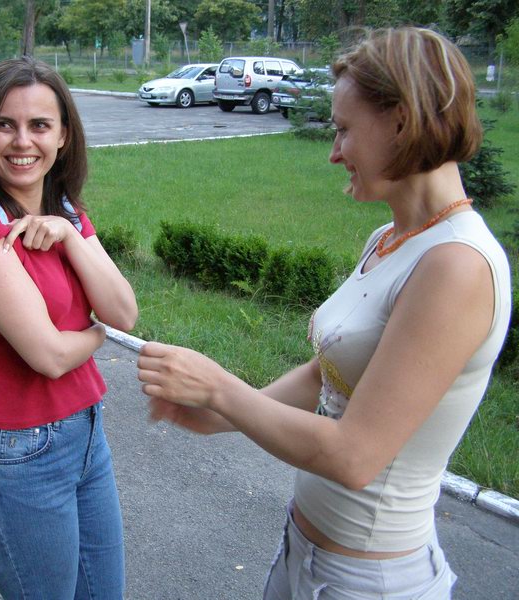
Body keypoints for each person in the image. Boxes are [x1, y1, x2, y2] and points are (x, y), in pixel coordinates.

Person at [137, 27, 511, 599]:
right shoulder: (391, 238)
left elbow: (356, 456)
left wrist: (218, 389)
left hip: (368, 582)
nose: (335, 152)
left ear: (402, 122)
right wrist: (222, 415)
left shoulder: (456, 265)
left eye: (344, 130)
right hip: (305, 554)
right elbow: (325, 373)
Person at [0, 57, 137, 599]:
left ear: (63, 135)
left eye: (40, 125)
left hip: (86, 434)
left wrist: (70, 235)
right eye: (5, 124)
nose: (22, 141)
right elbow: (49, 355)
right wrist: (97, 336)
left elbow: (123, 311)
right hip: (20, 452)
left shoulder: (66, 212)